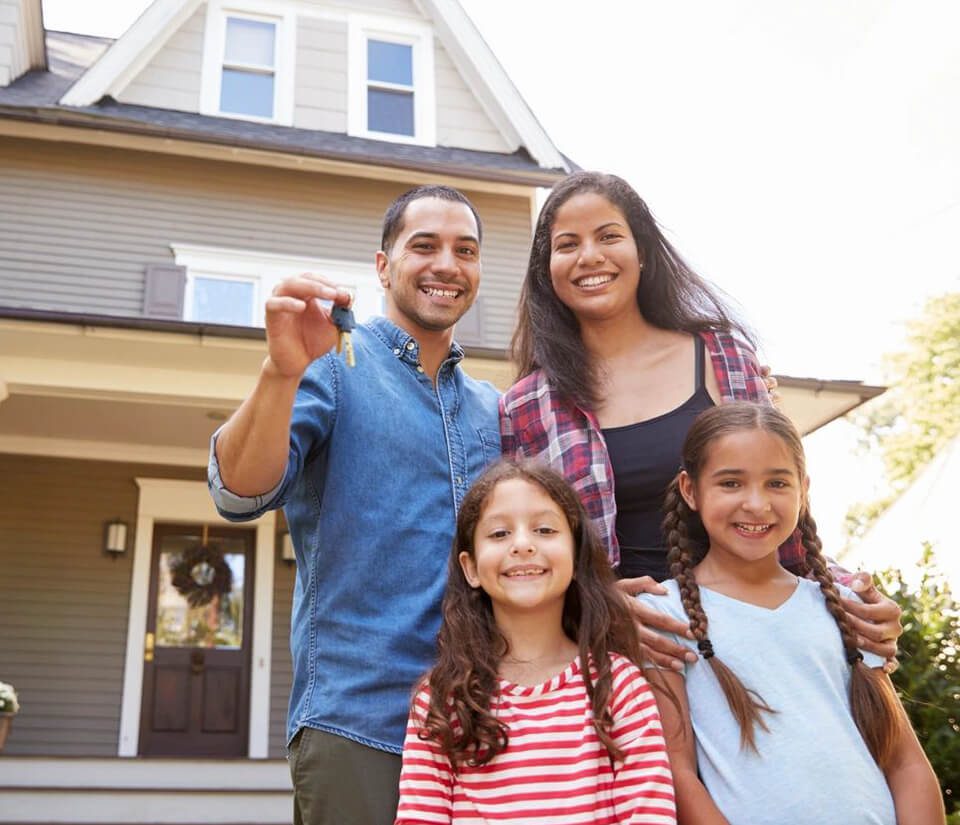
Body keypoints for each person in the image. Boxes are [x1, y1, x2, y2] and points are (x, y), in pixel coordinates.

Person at [500, 170, 902, 671]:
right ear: (548, 269)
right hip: (626, 659)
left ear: (641, 251)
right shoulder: (526, 406)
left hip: (752, 638)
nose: (590, 257)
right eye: (567, 244)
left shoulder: (725, 356)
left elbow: (782, 508)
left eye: (608, 236)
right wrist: (595, 607)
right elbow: (526, 553)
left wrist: (851, 597)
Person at [207, 185, 501, 825]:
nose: (446, 264)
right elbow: (238, 491)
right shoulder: (333, 365)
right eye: (424, 246)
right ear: (383, 265)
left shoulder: (491, 407)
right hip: (361, 723)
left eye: (466, 250)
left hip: (484, 725)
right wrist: (280, 372)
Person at [638, 402, 944, 825]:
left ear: (803, 489)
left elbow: (904, 762)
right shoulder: (663, 615)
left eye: (777, 483)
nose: (757, 504)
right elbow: (677, 772)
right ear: (691, 490)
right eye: (731, 483)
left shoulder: (842, 605)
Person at [395, 459, 678, 824]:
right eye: (499, 534)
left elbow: (649, 815)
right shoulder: (441, 697)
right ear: (470, 568)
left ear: (576, 557)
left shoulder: (619, 686)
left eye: (544, 530)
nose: (523, 545)